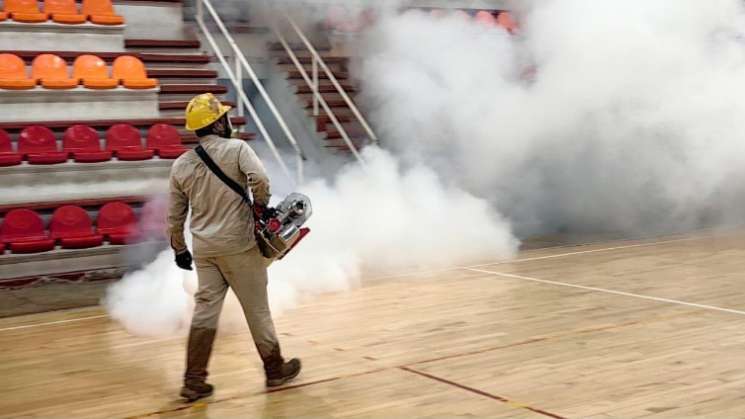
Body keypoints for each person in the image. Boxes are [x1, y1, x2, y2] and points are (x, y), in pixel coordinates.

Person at [167, 93, 301, 402]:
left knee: (204, 313)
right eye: (224, 117)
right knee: (257, 310)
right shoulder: (238, 149)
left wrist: (179, 249)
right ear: (218, 122)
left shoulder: (181, 165)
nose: (229, 121)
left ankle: (193, 380)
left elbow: (174, 216)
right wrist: (260, 208)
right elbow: (261, 181)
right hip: (239, 246)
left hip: (204, 251)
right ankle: (274, 369)